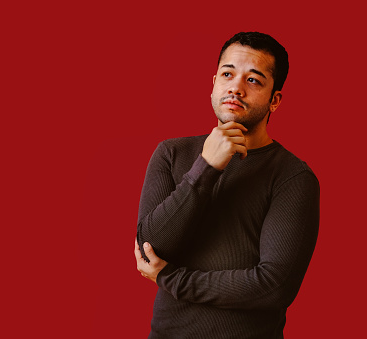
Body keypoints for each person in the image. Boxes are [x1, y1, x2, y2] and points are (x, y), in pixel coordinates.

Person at [134, 32, 319, 338]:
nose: (236, 87)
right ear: (213, 84)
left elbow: (273, 286)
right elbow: (150, 248)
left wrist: (171, 278)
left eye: (254, 80)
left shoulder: (293, 177)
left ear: (275, 100)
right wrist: (206, 167)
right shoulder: (171, 153)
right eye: (228, 74)